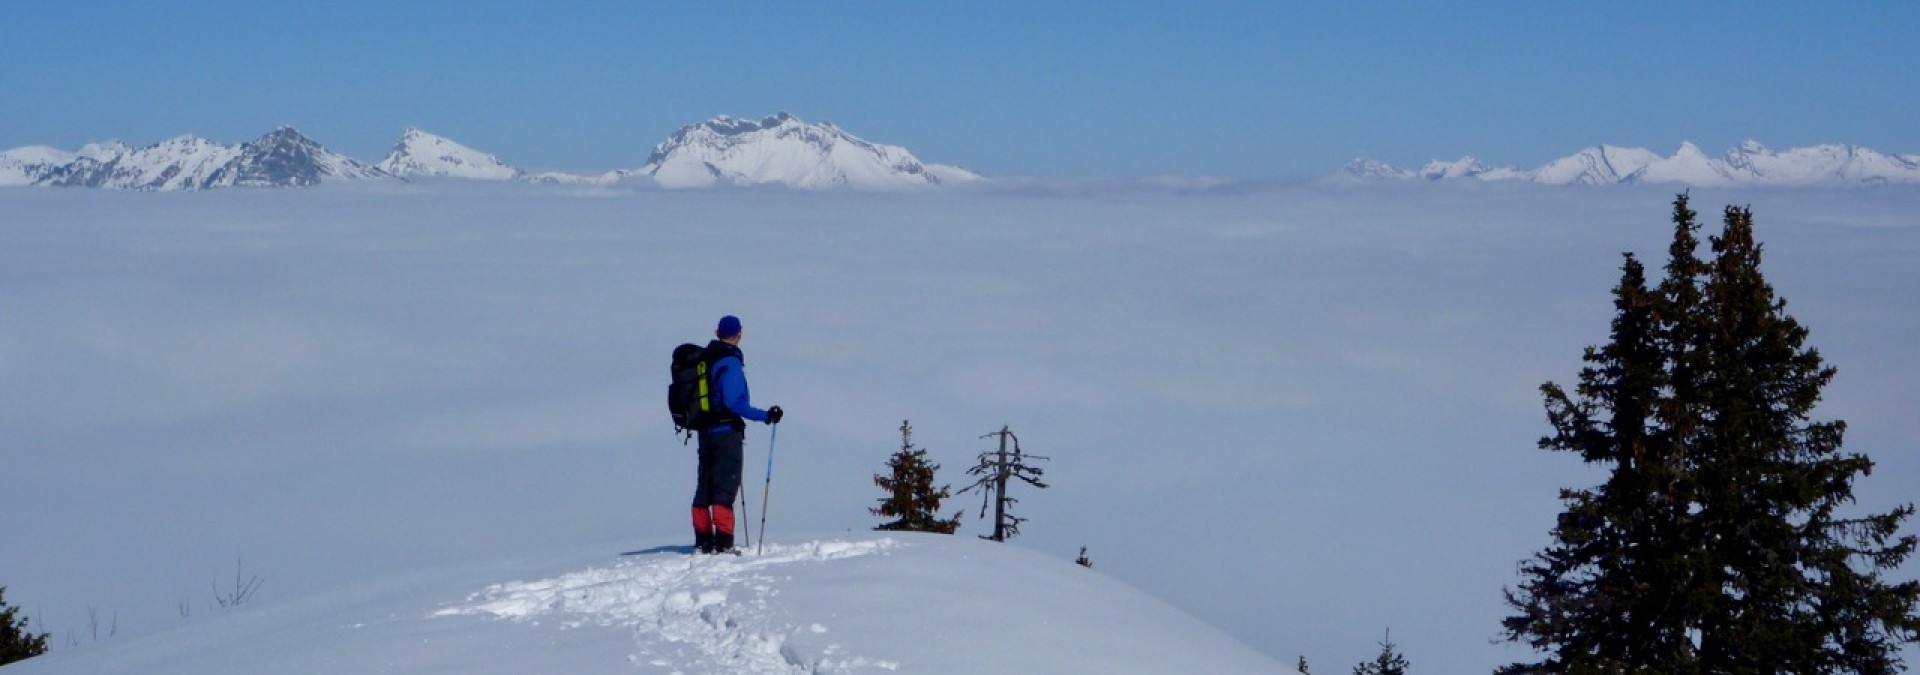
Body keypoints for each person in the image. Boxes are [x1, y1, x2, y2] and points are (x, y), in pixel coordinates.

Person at [691, 315, 782, 554]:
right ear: (739, 334)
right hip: (725, 433)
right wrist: (765, 416)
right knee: (724, 488)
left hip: (705, 431)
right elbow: (734, 402)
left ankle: (702, 542)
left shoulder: (706, 360)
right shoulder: (729, 364)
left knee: (704, 485)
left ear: (716, 332)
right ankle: (723, 544)